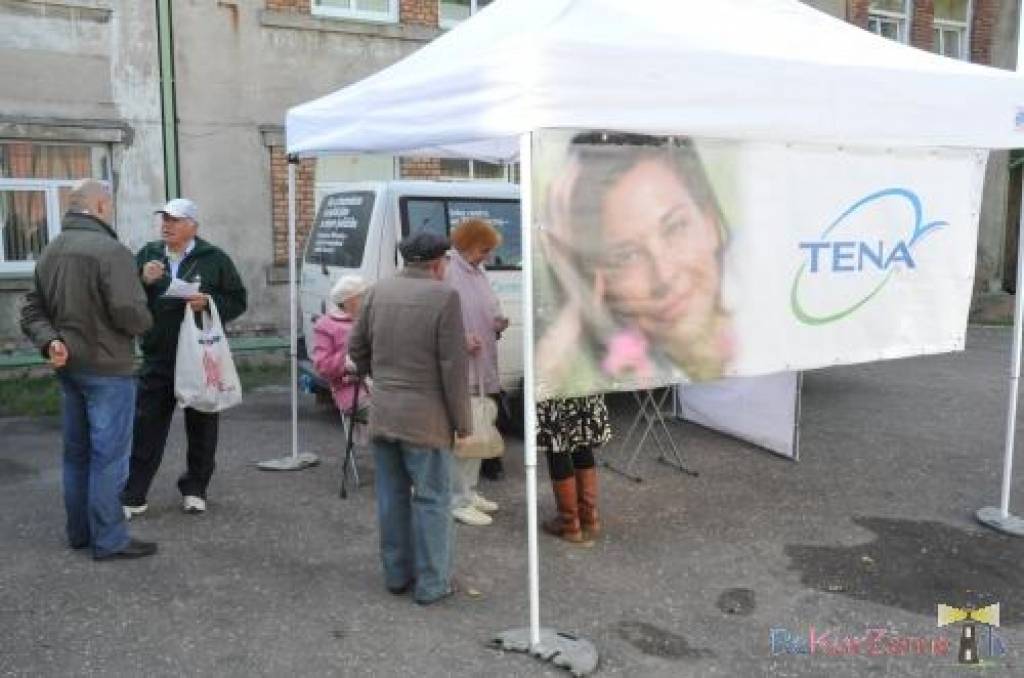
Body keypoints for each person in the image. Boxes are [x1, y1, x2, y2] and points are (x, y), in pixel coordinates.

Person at [536, 131, 734, 398]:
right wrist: (574, 298)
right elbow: (542, 381)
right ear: (600, 280)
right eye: (627, 256)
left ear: (710, 223)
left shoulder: (761, 311)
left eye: (675, 227)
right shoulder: (631, 360)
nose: (663, 277)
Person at [20, 179, 157, 560]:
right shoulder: (110, 251)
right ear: (99, 206)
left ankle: (80, 533)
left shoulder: (51, 250)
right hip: (109, 368)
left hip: (70, 367)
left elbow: (32, 310)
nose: (110, 209)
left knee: (76, 455)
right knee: (108, 457)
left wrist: (51, 341)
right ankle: (110, 540)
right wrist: (146, 317)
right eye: (108, 204)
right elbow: (130, 314)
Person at [349, 231, 471, 606]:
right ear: (438, 262)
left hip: (384, 411)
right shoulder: (444, 297)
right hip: (426, 419)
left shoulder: (377, 291)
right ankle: (433, 583)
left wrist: (380, 379)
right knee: (433, 500)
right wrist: (463, 423)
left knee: (391, 497)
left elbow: (356, 347)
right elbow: (453, 368)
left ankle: (396, 575)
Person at [122, 198, 247, 517]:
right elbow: (126, 296)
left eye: (175, 220)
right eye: (164, 219)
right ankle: (135, 494)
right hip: (159, 354)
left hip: (200, 355)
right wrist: (142, 279)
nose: (167, 225)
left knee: (203, 424)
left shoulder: (214, 258)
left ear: (192, 225)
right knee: (148, 426)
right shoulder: (149, 254)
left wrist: (208, 301)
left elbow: (238, 300)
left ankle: (195, 489)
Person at [444, 219, 508, 527]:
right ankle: (457, 499)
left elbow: (485, 308)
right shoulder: (448, 271)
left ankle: (469, 491)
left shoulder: (477, 271)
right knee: (465, 435)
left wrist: (497, 322)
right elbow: (438, 320)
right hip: (462, 368)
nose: (486, 255)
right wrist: (460, 338)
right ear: (467, 244)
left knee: (480, 427)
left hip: (482, 364)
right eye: (483, 249)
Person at [538, 395, 611, 546]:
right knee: (582, 438)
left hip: (554, 383)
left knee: (557, 443)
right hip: (581, 381)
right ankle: (589, 517)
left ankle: (571, 525)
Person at [312, 274, 371, 424]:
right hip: (351, 392)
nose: (367, 301)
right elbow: (322, 366)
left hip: (380, 386)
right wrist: (349, 355)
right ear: (348, 301)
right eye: (362, 296)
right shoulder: (326, 325)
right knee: (390, 419)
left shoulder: (369, 319)